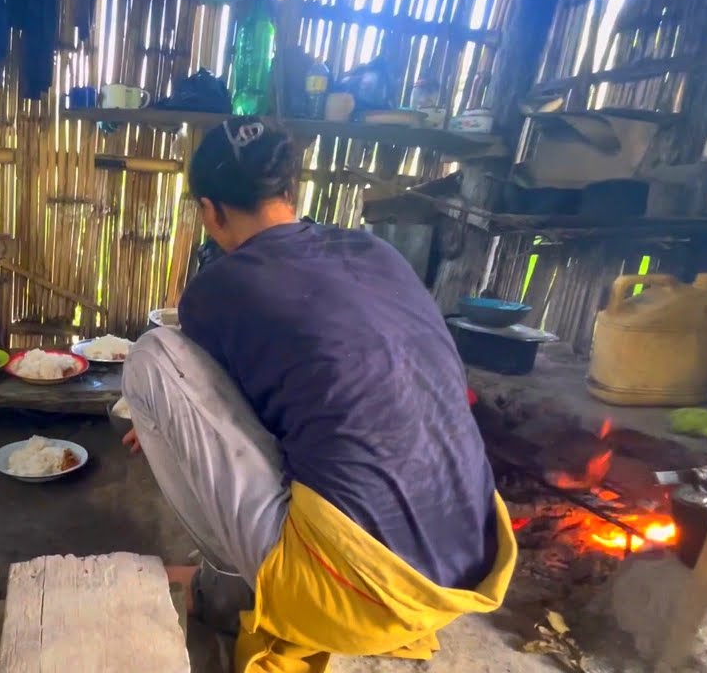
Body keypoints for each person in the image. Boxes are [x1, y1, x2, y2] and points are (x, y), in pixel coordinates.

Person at [121, 117, 517, 672]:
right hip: (467, 566)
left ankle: (225, 590)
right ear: (291, 190)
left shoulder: (217, 288)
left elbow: (232, 415)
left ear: (209, 211)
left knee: (151, 358)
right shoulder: (374, 252)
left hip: (358, 590)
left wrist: (162, 423)